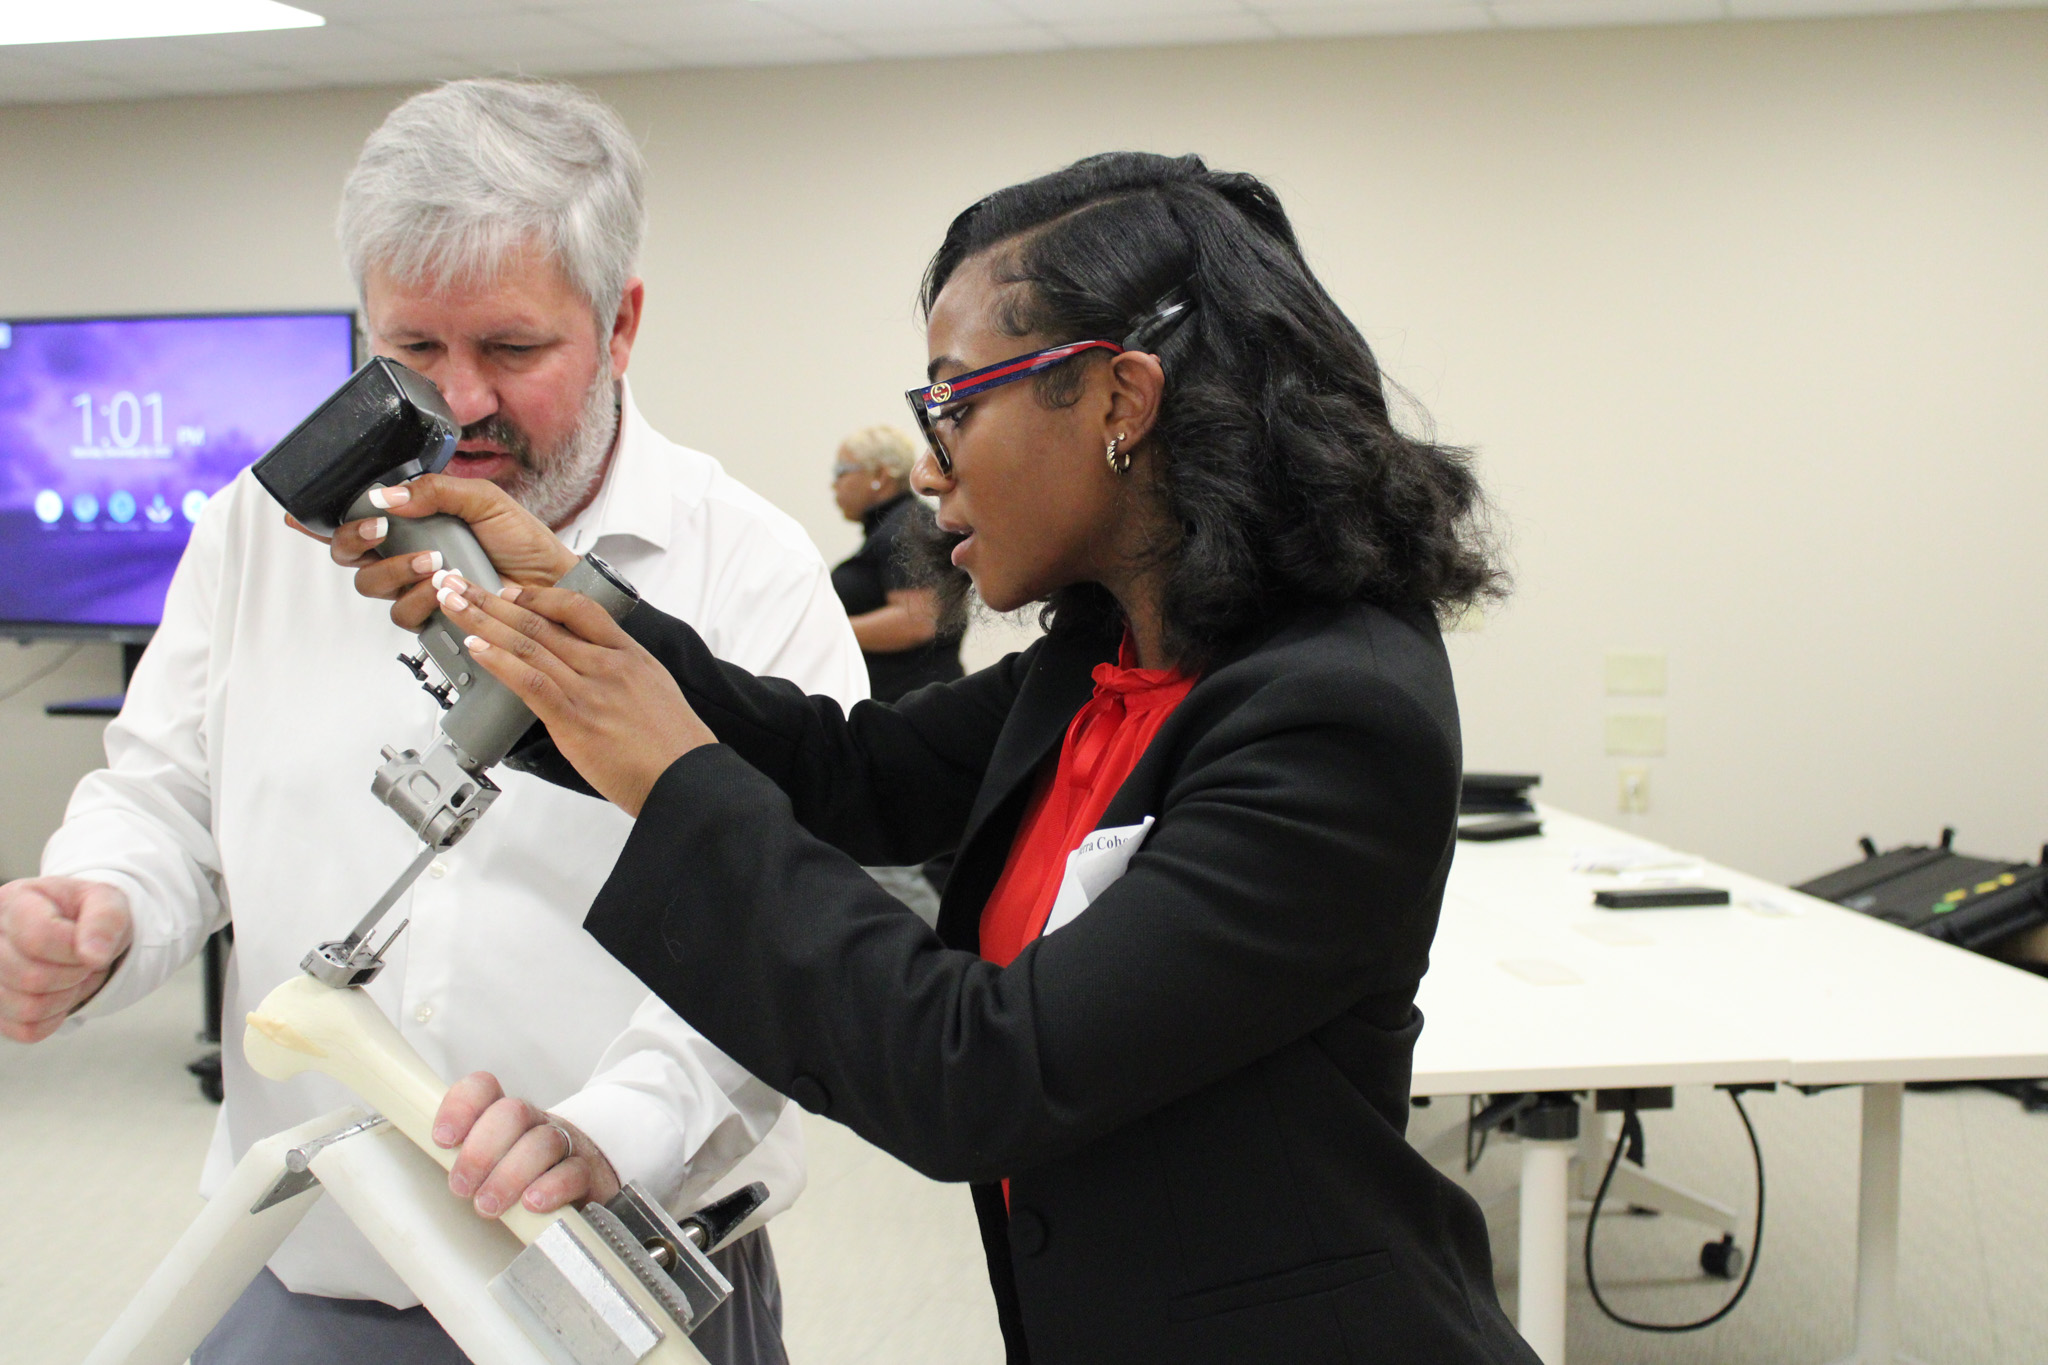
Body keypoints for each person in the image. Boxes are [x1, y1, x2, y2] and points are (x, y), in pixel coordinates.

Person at [336, 152, 1538, 1364]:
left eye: (954, 402)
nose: (926, 464)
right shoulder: (1111, 649)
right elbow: (854, 773)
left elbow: (982, 1074)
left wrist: (671, 778)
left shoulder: (1333, 711)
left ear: (1120, 400)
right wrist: (575, 625)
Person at [0, 78, 865, 1365]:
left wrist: (612, 1128)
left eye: (513, 352)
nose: (457, 403)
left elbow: (797, 929)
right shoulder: (263, 532)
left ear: (621, 324)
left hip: (611, 1281)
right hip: (302, 1264)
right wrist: (101, 906)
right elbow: (165, 793)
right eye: (412, 352)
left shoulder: (745, 572)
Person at [827, 423, 964, 704]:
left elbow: (917, 620)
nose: (834, 484)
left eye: (841, 472)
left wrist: (825, 631)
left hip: (914, 709)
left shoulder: (905, 528)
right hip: (905, 704)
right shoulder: (899, 525)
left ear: (879, 474)